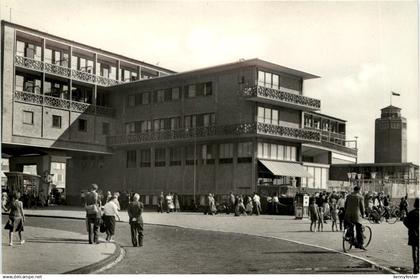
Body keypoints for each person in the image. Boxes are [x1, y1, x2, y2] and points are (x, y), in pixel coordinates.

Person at [344, 186, 366, 250]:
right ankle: (360, 244)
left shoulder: (348, 196)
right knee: (359, 229)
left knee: (349, 226)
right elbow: (362, 208)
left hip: (347, 215)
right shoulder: (360, 197)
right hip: (356, 215)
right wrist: (363, 214)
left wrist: (346, 212)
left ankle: (351, 239)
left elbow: (345, 206)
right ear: (359, 190)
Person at [403, 198, 419, 274]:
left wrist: (410, 227)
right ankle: (418, 265)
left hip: (413, 233)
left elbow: (405, 221)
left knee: (414, 250)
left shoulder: (411, 213)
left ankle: (415, 266)